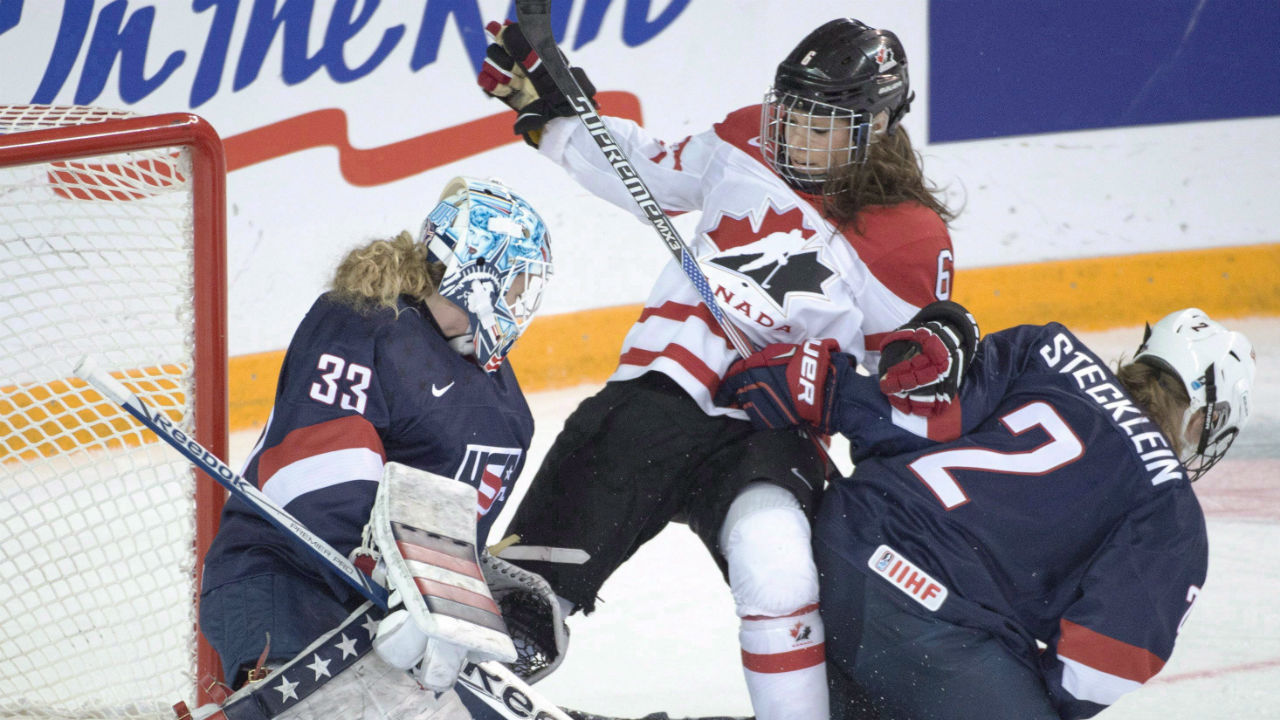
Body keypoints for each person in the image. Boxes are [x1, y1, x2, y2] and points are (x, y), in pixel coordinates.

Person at [477, 16, 956, 720]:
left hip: (770, 434)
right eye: (789, 113)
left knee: (781, 573)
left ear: (879, 126)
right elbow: (650, 169)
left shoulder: (909, 240)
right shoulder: (746, 137)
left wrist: (825, 389)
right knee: (525, 596)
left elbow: (904, 398)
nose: (793, 136)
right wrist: (557, 117)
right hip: (655, 399)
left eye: (820, 125)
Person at [717, 303, 1257, 719]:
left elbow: (918, 415)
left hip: (840, 539)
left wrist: (829, 388)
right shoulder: (1169, 507)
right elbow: (1101, 665)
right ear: (1204, 417)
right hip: (927, 626)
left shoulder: (1046, 350)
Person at [195, 177, 554, 719]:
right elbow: (312, 466)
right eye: (517, 282)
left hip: (395, 625)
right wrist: (398, 577)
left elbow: (451, 534)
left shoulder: (508, 412)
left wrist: (464, 603)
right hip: (285, 579)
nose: (521, 302)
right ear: (479, 272)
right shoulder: (365, 320)